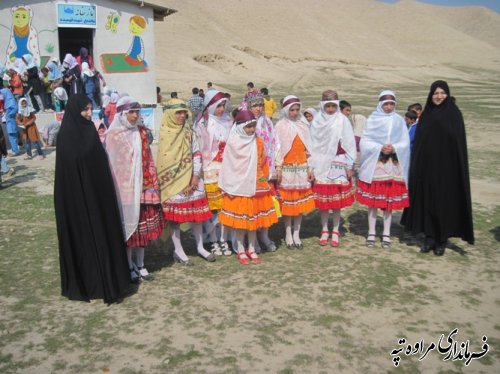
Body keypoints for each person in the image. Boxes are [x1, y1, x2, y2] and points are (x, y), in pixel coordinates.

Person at [54, 94, 132, 303]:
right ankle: (89, 284)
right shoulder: (66, 137)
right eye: (85, 110)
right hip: (77, 202)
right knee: (85, 241)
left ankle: (109, 281)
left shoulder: (90, 131)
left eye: (90, 108)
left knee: (102, 236)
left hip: (98, 198)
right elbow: (67, 176)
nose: (89, 113)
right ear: (74, 111)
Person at [401, 81, 474, 256]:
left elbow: (458, 144)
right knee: (428, 202)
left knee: (444, 203)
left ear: (447, 94)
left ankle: (441, 239)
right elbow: (419, 142)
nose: (439, 96)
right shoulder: (426, 115)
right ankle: (429, 237)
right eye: (435, 93)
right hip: (427, 170)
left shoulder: (454, 115)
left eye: (442, 93)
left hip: (448, 171)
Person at [105, 96, 165, 282]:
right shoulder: (113, 135)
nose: (134, 115)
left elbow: (148, 157)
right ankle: (128, 265)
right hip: (123, 188)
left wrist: (152, 182)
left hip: (143, 184)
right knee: (128, 229)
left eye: (137, 112)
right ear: (122, 114)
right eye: (131, 112)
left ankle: (141, 264)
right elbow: (112, 163)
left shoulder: (142, 133)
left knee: (142, 229)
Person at [157, 99, 216, 265]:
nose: (182, 116)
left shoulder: (189, 131)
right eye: (178, 112)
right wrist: (178, 180)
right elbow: (163, 160)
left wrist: (195, 176)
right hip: (172, 182)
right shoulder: (163, 134)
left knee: (196, 216)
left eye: (184, 112)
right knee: (175, 219)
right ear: (169, 114)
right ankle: (178, 250)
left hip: (192, 179)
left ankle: (200, 247)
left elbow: (196, 152)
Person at [219, 108, 278, 264]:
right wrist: (230, 186)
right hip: (239, 187)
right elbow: (228, 166)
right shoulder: (233, 143)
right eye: (248, 126)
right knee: (240, 224)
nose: (252, 129)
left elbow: (263, 162)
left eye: (253, 126)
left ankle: (251, 248)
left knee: (253, 222)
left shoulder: (258, 141)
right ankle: (240, 249)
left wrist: (266, 179)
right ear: (240, 126)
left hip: (257, 186)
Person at [356, 90, 410, 249]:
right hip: (376, 165)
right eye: (385, 104)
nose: (388, 107)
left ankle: (386, 233)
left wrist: (394, 147)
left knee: (388, 203)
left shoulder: (399, 120)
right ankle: (371, 232)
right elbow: (365, 142)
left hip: (393, 165)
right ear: (380, 104)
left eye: (391, 104)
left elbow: (405, 142)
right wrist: (380, 147)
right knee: (372, 202)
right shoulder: (372, 120)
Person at [310, 90, 356, 247]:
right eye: (327, 106)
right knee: (323, 202)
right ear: (323, 105)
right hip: (321, 164)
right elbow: (312, 145)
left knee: (336, 202)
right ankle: (324, 229)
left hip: (338, 163)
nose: (330, 109)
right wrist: (311, 167)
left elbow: (349, 143)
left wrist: (350, 165)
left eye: (333, 106)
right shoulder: (316, 121)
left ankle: (335, 230)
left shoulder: (342, 120)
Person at [194, 90, 233, 255]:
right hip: (209, 169)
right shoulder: (202, 124)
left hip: (227, 169)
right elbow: (199, 148)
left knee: (226, 206)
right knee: (212, 208)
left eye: (223, 105)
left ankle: (224, 239)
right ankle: (212, 240)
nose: (221, 109)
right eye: (218, 106)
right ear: (210, 106)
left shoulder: (229, 122)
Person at [275, 95, 315, 249]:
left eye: (297, 109)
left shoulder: (304, 125)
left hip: (302, 168)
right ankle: (288, 233)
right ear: (286, 110)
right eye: (292, 109)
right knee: (288, 205)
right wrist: (278, 167)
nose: (295, 112)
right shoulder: (280, 126)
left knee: (299, 205)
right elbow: (278, 148)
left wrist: (311, 167)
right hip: (287, 169)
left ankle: (297, 234)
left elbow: (310, 148)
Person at [246, 93, 280, 252]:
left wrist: (275, 166)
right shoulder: (245, 123)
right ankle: (253, 239)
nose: (258, 108)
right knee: (253, 206)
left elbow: (275, 143)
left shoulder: (267, 122)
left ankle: (264, 235)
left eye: (260, 105)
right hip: (251, 171)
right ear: (248, 107)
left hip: (267, 169)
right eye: (254, 105)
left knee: (268, 203)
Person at [0, 81, 20, 155]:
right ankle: (18, 145)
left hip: (9, 109)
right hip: (12, 107)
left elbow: (1, 102)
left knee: (11, 131)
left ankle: (15, 150)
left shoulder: (1, 91)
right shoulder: (6, 89)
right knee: (13, 128)